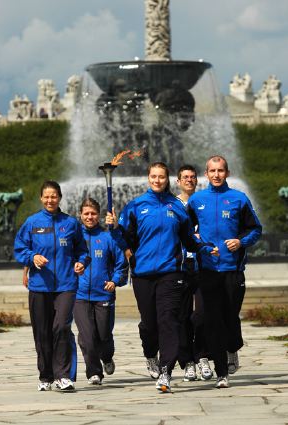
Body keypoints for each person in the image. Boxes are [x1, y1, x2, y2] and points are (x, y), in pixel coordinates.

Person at [106, 161, 219, 393]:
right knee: (149, 324)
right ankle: (150, 354)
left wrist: (205, 248)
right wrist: (115, 227)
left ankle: (166, 372)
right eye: (153, 176)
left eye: (161, 177)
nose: (157, 180)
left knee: (169, 321)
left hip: (170, 273)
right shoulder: (136, 206)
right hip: (143, 274)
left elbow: (189, 239)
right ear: (148, 178)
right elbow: (123, 239)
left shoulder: (177, 207)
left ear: (167, 179)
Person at [187, 155, 262, 389]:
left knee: (230, 316)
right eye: (212, 171)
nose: (216, 175)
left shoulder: (239, 199)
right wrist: (197, 241)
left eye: (220, 171)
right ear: (206, 174)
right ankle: (222, 372)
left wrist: (240, 242)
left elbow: (256, 229)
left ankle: (233, 348)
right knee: (213, 320)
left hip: (233, 270)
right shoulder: (197, 200)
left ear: (227, 173)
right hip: (208, 269)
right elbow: (185, 231)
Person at [14, 180, 90, 392]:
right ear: (41, 198)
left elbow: (83, 251)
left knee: (62, 327)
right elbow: (20, 249)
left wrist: (81, 262)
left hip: (66, 284)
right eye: (46, 197)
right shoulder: (32, 223)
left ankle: (63, 375)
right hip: (40, 286)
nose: (50, 200)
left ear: (60, 198)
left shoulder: (71, 223)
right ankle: (45, 375)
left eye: (54, 196)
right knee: (42, 332)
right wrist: (32, 257)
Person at [73, 198, 128, 386]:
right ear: (80, 214)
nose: (90, 217)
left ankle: (107, 357)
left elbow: (121, 264)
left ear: (99, 215)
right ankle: (94, 372)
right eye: (86, 213)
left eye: (93, 213)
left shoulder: (108, 238)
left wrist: (115, 281)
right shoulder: (74, 237)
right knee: (86, 336)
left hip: (103, 294)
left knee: (104, 335)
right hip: (79, 295)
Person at [176, 165, 213, 382]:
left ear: (197, 180)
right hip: (179, 266)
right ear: (178, 181)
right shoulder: (172, 204)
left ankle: (203, 356)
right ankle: (187, 361)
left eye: (192, 177)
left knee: (201, 315)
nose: (189, 180)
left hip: (202, 265)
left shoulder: (203, 203)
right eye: (185, 177)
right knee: (181, 317)